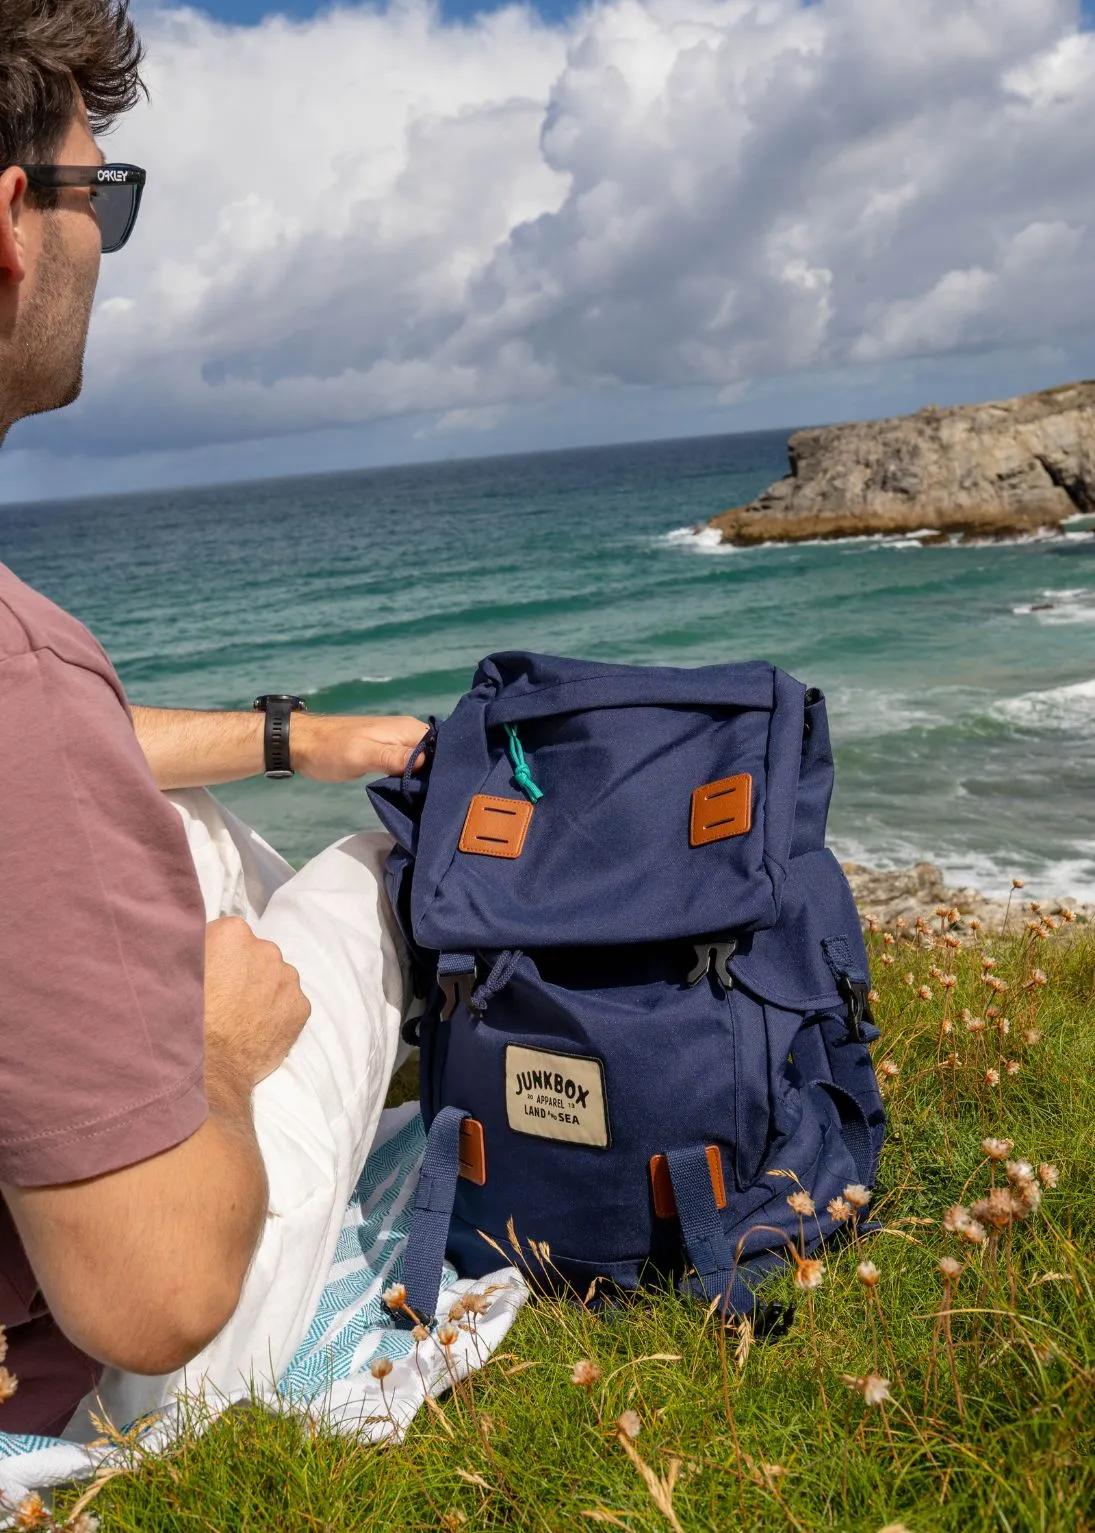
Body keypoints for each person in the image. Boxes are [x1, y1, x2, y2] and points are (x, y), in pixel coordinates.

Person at [0, 0, 424, 1436]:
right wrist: (220, 1057)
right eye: (92, 197)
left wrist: (292, 736)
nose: (93, 248)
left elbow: (63, 780)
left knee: (180, 828)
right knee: (372, 881)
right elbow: (154, 1295)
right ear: (10, 222)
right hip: (101, 1355)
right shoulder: (19, 683)